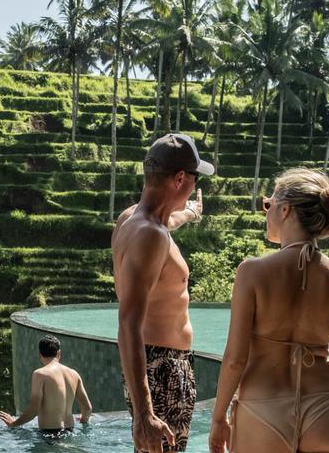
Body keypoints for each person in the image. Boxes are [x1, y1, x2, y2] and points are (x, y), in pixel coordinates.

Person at [209, 168, 329, 453]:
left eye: (267, 204)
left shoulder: (252, 273)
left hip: (263, 409)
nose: (265, 212)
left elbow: (235, 359)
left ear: (285, 209)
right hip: (325, 408)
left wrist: (218, 417)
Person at [112, 133, 214, 453]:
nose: (196, 186)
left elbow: (170, 219)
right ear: (180, 178)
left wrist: (193, 212)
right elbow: (128, 324)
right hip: (163, 370)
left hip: (159, 367)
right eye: (195, 178)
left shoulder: (133, 219)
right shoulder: (151, 236)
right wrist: (145, 415)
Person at [0, 334, 92, 437]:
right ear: (59, 353)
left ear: (40, 354)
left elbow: (34, 409)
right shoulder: (74, 374)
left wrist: (13, 423)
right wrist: (83, 421)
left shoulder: (40, 374)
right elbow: (87, 408)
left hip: (50, 436)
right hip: (70, 432)